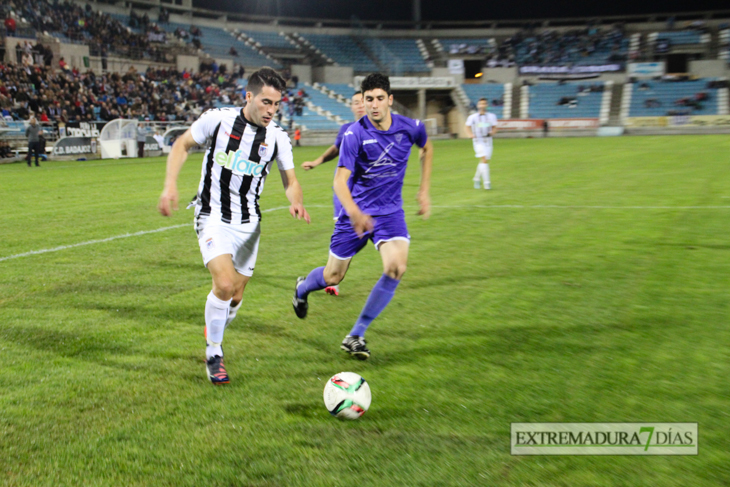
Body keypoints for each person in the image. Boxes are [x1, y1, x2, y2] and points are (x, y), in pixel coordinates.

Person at [158, 67, 310, 384]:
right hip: (212, 214)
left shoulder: (278, 138)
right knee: (224, 285)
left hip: (249, 224)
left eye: (276, 104)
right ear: (249, 96)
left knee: (236, 296)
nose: (271, 110)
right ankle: (214, 352)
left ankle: (215, 326)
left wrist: (296, 199)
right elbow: (181, 145)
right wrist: (170, 185)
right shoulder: (218, 120)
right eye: (266, 102)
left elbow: (290, 180)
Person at [292, 73, 432, 360]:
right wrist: (355, 213)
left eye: (380, 98)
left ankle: (356, 334)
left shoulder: (411, 128)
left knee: (396, 267)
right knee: (333, 276)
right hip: (353, 215)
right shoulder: (354, 133)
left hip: (390, 213)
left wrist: (423, 190)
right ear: (363, 102)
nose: (374, 105)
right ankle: (303, 287)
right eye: (369, 99)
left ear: (390, 100)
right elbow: (339, 181)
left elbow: (427, 148)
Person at [300, 90, 367, 296]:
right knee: (345, 231)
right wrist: (317, 161)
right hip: (344, 190)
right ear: (352, 107)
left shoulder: (379, 130)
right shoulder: (347, 129)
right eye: (355, 102)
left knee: (357, 234)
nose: (359, 105)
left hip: (367, 195)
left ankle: (333, 275)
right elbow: (335, 149)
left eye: (362, 101)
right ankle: (332, 279)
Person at [465, 98, 498, 190]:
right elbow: (467, 126)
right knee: (484, 159)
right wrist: (470, 135)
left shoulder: (491, 116)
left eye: (484, 104)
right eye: (481, 104)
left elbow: (495, 127)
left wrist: (491, 133)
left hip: (488, 142)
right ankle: (487, 183)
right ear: (478, 105)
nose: (482, 105)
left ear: (486, 105)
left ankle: (476, 178)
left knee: (484, 161)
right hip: (478, 141)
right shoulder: (473, 117)